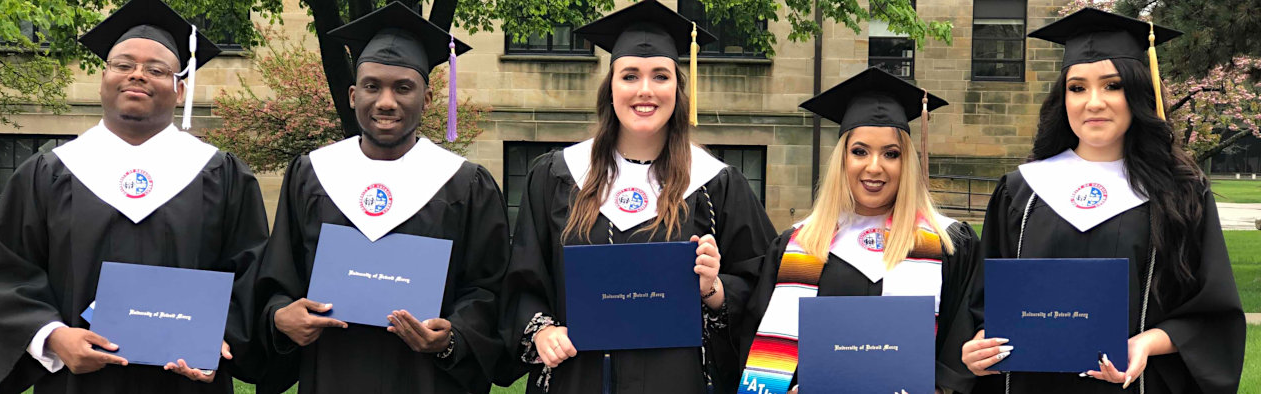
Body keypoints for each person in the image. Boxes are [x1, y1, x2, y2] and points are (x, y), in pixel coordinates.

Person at [0, 0, 270, 392]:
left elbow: (250, 274)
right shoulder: (48, 173)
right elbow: (9, 269)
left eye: (156, 69)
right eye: (123, 64)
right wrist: (52, 336)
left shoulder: (221, 175)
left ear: (180, 87)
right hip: (77, 382)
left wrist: (220, 340)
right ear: (104, 78)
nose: (138, 75)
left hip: (186, 381)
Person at [960, 8, 1244, 394]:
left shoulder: (1180, 192)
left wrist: (1145, 343)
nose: (1093, 102)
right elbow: (984, 304)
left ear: (1139, 92)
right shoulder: (1022, 191)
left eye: (1112, 85)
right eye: (1077, 88)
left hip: (1137, 385)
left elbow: (1210, 311)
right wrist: (978, 344)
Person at [498, 1, 777, 392]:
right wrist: (542, 332)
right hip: (579, 379)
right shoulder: (557, 176)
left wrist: (714, 289)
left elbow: (763, 287)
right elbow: (524, 280)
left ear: (678, 89)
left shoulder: (716, 185)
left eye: (660, 76)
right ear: (610, 87)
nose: (645, 90)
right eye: (630, 75)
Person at [249, 3, 510, 394]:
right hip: (331, 373)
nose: (386, 101)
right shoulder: (312, 174)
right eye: (372, 86)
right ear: (353, 94)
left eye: (403, 87)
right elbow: (278, 276)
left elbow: (488, 289)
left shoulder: (464, 184)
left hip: (427, 381)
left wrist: (453, 336)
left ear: (427, 98)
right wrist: (279, 317)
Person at [738, 67, 981, 394]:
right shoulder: (798, 244)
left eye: (891, 154)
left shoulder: (949, 244)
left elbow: (963, 346)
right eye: (860, 151)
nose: (874, 167)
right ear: (842, 159)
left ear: (906, 162)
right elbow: (760, 348)